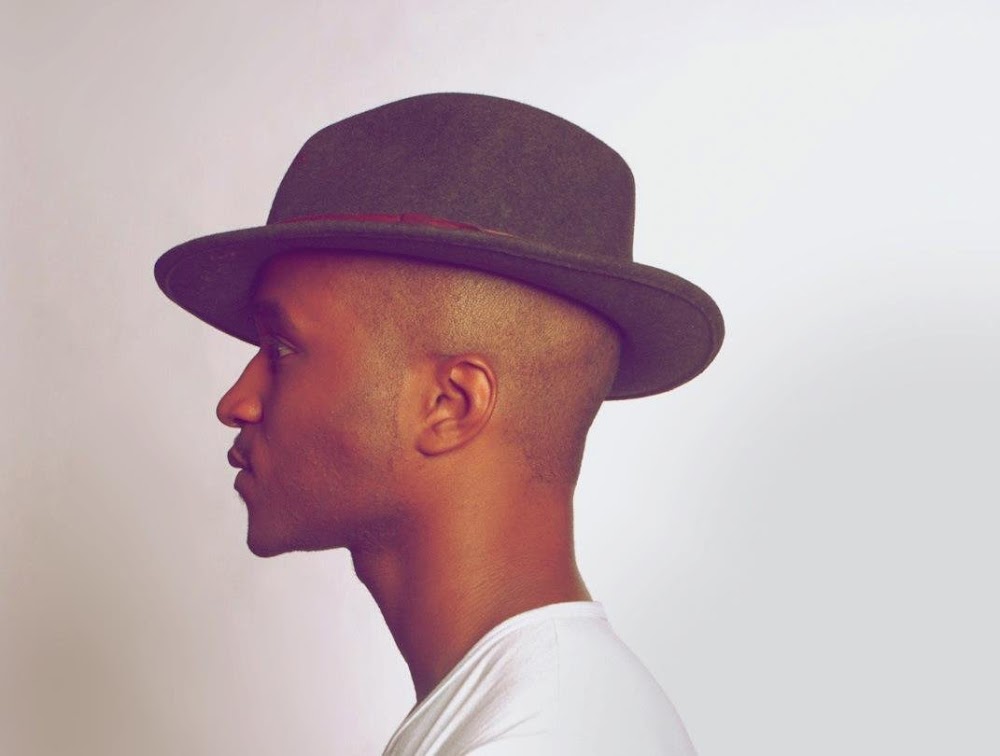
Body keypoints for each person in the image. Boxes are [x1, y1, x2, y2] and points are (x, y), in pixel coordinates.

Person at [155, 92, 723, 755]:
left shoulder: (539, 737)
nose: (237, 401)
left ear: (450, 404)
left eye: (281, 349)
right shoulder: (543, 711)